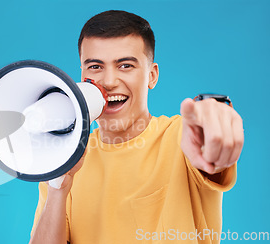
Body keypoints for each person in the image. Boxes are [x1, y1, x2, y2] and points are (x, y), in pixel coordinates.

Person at [29, 10, 244, 244]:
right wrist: (59, 188)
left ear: (152, 76)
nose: (109, 82)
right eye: (95, 67)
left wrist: (212, 126)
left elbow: (206, 141)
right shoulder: (65, 157)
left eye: (125, 66)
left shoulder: (181, 136)